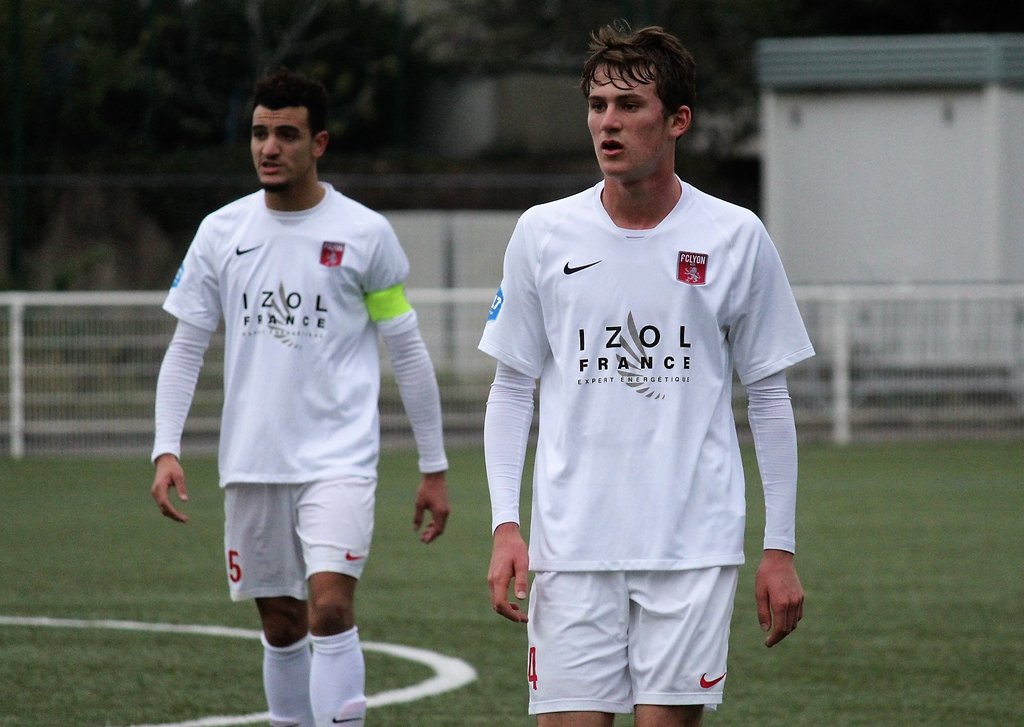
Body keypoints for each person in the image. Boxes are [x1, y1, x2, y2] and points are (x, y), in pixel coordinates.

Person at [480, 24, 814, 727]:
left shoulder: (735, 235)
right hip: (570, 546)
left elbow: (769, 395)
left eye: (629, 105)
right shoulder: (543, 232)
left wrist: (778, 547)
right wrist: (507, 526)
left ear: (677, 121)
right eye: (598, 104)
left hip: (691, 546)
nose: (608, 121)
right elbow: (512, 386)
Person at [149, 68, 450, 727]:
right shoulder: (220, 233)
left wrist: (434, 465)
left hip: (337, 460)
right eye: (260, 133)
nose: (269, 147)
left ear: (320, 143)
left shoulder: (365, 234)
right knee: (282, 623)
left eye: (287, 134)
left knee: (330, 609)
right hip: (252, 461)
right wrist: (165, 447)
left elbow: (407, 350)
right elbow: (188, 345)